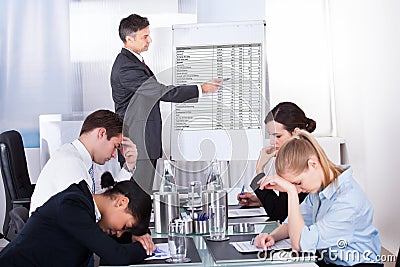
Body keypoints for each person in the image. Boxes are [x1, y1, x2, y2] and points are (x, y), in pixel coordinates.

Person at [110, 13, 221, 193]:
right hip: (138, 145)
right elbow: (159, 91)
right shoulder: (126, 67)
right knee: (136, 199)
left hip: (143, 144)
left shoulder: (133, 62)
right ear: (129, 39)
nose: (150, 40)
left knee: (141, 197)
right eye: (145, 36)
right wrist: (200, 89)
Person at [254, 129, 382, 267]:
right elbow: (292, 224)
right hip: (329, 261)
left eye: (298, 183)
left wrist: (291, 192)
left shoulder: (347, 202)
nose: (298, 189)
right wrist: (272, 236)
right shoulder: (320, 190)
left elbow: (299, 243)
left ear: (313, 164)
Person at [0, 178, 155, 266]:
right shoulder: (72, 205)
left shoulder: (84, 205)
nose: (120, 234)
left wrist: (138, 235)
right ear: (121, 202)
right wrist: (145, 248)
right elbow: (117, 255)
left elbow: (111, 242)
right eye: (125, 227)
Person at [30, 109, 137, 215]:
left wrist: (128, 167)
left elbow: (103, 199)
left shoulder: (85, 162)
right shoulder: (70, 163)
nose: (114, 155)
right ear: (102, 133)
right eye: (115, 146)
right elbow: (89, 213)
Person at [237, 102, 316, 222]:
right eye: (271, 136)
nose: (273, 142)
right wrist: (259, 201)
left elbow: (280, 214)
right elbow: (287, 205)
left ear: (295, 133)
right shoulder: (291, 158)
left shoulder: (300, 162)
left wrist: (259, 170)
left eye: (278, 136)